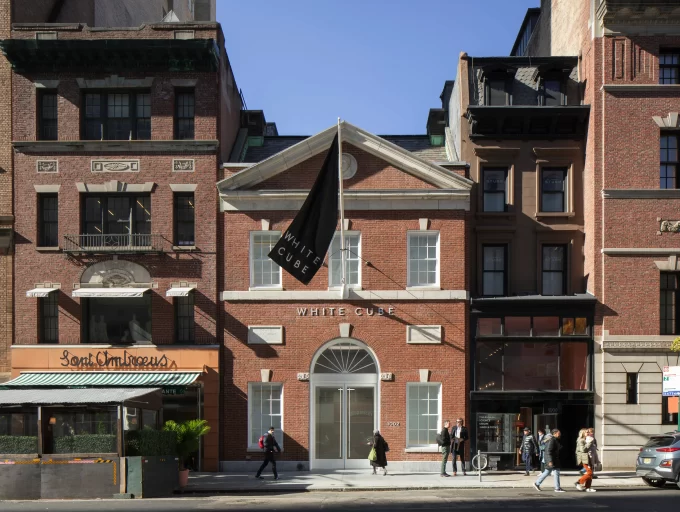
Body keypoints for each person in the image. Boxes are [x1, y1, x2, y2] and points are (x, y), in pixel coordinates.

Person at [533, 428, 565, 493]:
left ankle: (537, 483)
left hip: (553, 459)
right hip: (552, 459)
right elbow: (548, 451)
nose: (560, 434)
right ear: (555, 433)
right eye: (559, 433)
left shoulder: (555, 440)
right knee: (556, 472)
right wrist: (550, 461)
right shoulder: (552, 440)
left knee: (547, 472)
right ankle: (557, 488)